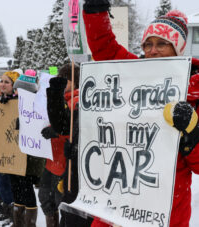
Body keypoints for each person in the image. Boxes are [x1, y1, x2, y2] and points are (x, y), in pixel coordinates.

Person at [82, 1, 199, 226]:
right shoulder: (132, 75)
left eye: (162, 44)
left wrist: (192, 134)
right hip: (117, 203)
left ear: (178, 48)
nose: (152, 50)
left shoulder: (193, 92)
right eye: (148, 44)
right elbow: (105, 48)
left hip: (164, 211)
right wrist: (96, 14)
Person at [44, 63, 93, 227]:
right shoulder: (65, 99)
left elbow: (67, 127)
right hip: (60, 163)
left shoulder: (79, 101)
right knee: (55, 204)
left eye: (65, 79)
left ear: (76, 81)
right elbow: (62, 123)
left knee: (67, 209)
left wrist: (56, 132)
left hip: (71, 166)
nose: (61, 80)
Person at [9, 70, 46, 227]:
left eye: (20, 89)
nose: (17, 91)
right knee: (17, 190)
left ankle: (29, 224)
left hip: (30, 158)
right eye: (16, 89)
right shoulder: (13, 103)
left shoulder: (36, 104)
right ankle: (19, 223)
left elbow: (39, 127)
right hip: (16, 156)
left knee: (26, 189)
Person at [0, 71, 20, 225]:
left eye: (6, 82)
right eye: (1, 81)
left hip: (13, 151)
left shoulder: (19, 101)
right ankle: (5, 209)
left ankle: (12, 214)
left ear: (14, 85)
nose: (2, 84)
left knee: (7, 183)